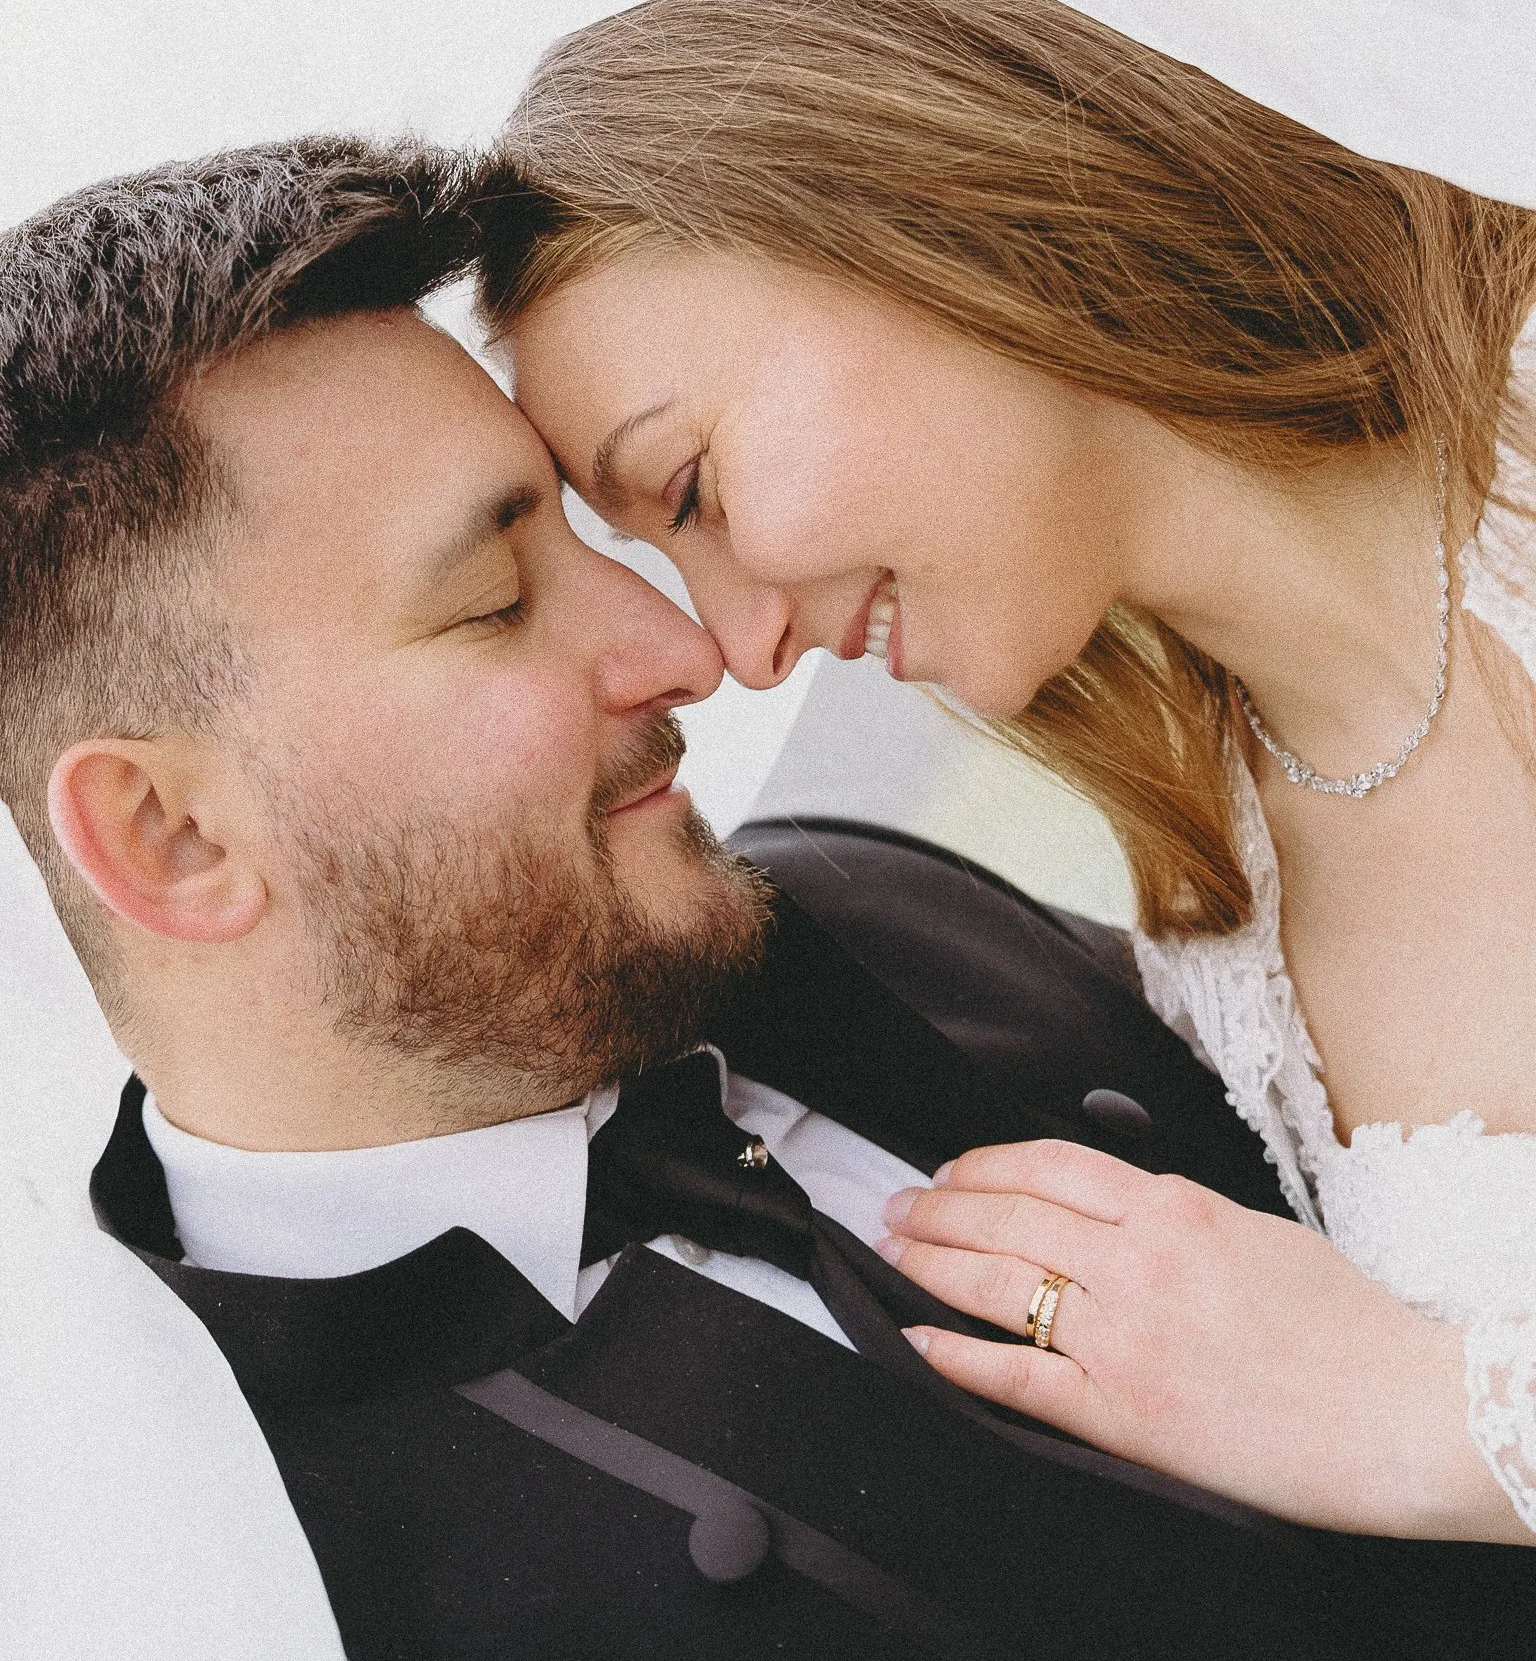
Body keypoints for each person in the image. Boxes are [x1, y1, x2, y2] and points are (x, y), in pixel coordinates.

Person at [3, 136, 1425, 1660]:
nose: (687, 649)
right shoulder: (251, 1571)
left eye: (588, 535)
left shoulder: (864, 894)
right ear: (169, 838)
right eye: (493, 604)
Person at [474, 0, 1536, 1553]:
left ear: (904, 206)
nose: (741, 644)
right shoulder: (1213, 875)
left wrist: (1434, 1423)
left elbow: (1407, 1413)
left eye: (690, 492)